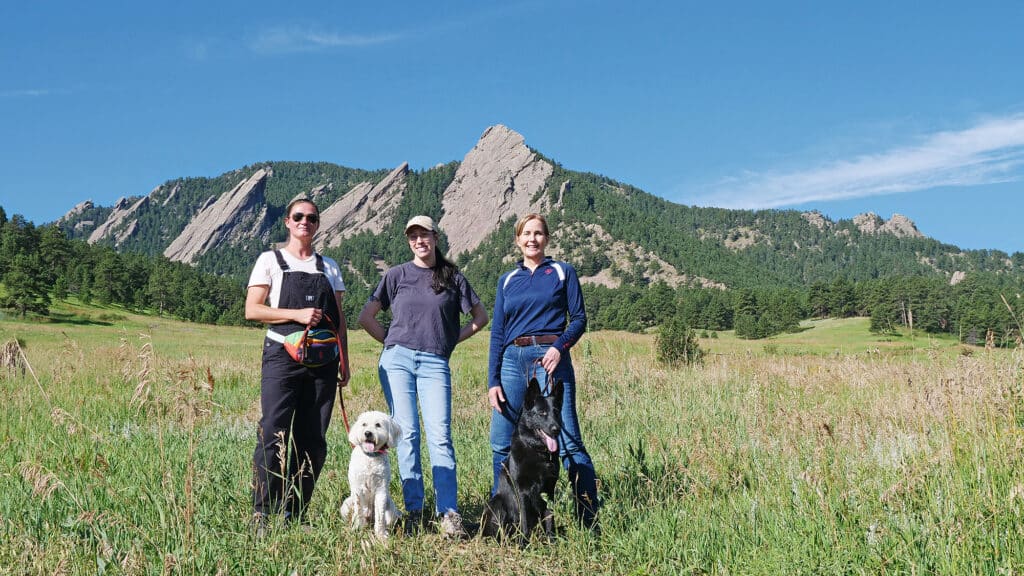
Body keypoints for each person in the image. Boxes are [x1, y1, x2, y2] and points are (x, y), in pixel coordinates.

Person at [358, 215, 488, 539]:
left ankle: (449, 514)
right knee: (407, 434)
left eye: (424, 234)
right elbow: (365, 316)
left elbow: (480, 316)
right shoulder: (396, 275)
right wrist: (389, 341)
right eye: (413, 236)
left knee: (440, 435)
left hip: (434, 362)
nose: (419, 241)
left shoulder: (452, 276)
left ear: (435, 236)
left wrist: (449, 340)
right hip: (397, 360)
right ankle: (415, 512)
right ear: (408, 241)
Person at [487, 212, 600, 531]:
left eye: (538, 233)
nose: (532, 239)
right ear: (518, 240)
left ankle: (589, 522)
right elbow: (498, 332)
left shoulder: (562, 272)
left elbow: (578, 318)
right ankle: (506, 520)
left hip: (550, 357)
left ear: (546, 239)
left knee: (569, 443)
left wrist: (559, 347)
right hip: (512, 359)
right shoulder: (507, 280)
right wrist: (493, 380)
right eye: (526, 234)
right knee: (501, 442)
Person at [245, 198, 351, 533]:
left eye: (312, 218)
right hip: (280, 355)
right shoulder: (270, 260)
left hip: (323, 360)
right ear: (288, 222)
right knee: (273, 432)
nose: (305, 222)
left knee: (313, 438)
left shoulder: (328, 266)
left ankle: (295, 513)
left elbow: (339, 319)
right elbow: (253, 309)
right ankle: (263, 512)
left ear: (318, 224)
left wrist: (344, 359)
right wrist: (295, 314)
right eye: (298, 217)